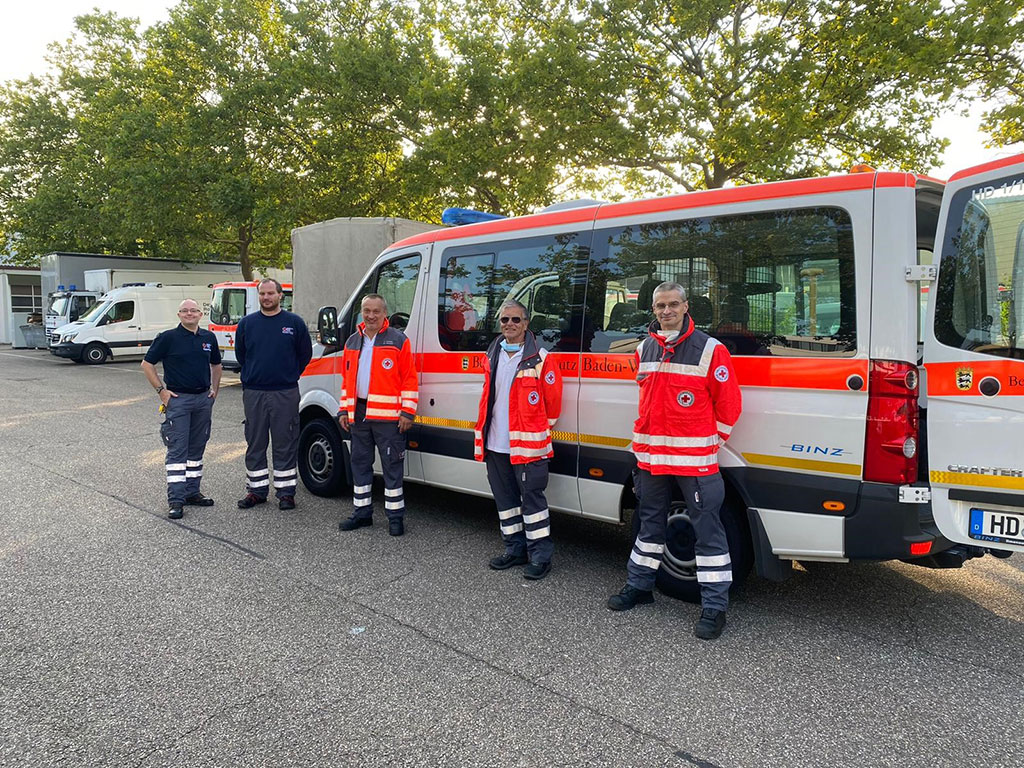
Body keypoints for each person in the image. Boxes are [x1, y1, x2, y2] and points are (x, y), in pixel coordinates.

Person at [607, 282, 742, 640]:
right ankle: (640, 586)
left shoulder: (710, 349)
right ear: (653, 310)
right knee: (648, 525)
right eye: (660, 306)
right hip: (651, 458)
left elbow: (729, 405)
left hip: (694, 460)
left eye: (672, 304)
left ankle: (714, 607)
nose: (666, 311)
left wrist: (710, 442)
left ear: (685, 307)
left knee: (708, 532)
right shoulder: (644, 348)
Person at [474, 299, 562, 580]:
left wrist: (534, 431)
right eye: (505, 320)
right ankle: (515, 549)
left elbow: (553, 405)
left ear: (526, 324)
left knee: (533, 503)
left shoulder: (541, 358)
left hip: (527, 446)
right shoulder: (493, 354)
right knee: (506, 501)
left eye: (515, 320)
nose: (509, 324)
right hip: (495, 443)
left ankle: (540, 557)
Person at [337, 294, 418, 536]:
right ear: (361, 313)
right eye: (367, 311)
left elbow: (409, 379)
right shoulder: (353, 341)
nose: (371, 316)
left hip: (389, 418)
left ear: (385, 314)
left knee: (392, 466)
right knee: (359, 464)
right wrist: (344, 409)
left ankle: (395, 517)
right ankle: (362, 513)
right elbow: (347, 380)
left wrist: (408, 412)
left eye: (376, 311)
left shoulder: (398, 340)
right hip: (359, 414)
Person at [235, 278, 312, 511]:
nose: (266, 297)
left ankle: (286, 493)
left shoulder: (294, 323)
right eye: (262, 294)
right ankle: (256, 491)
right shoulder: (247, 324)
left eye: (270, 293)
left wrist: (288, 374)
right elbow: (241, 355)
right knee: (255, 442)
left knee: (285, 442)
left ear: (280, 295)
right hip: (255, 392)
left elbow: (304, 355)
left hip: (285, 392)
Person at [141, 299, 222, 520]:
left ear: (200, 314)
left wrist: (215, 390)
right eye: (185, 311)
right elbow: (147, 364)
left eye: (193, 310)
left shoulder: (208, 338)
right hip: (178, 400)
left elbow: (216, 364)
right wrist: (161, 391)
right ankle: (176, 500)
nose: (189, 314)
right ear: (179, 315)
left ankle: (192, 492)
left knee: (197, 448)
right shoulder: (168, 338)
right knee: (177, 450)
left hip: (202, 400)